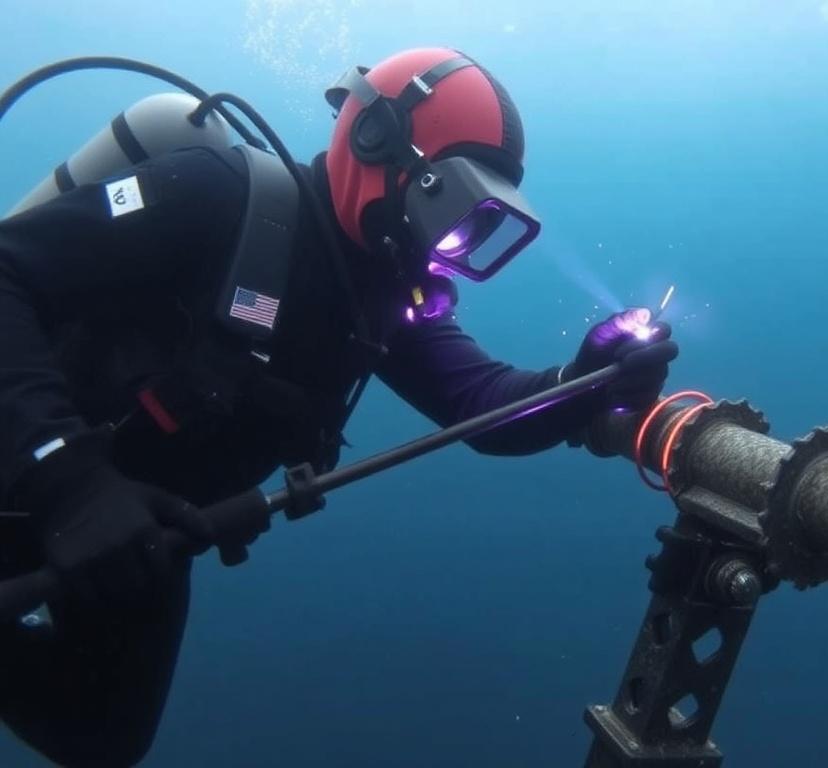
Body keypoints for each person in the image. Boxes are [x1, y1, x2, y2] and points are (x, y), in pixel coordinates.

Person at [0, 47, 677, 767]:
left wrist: (585, 380)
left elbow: (483, 408)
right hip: (32, 472)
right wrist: (69, 482)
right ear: (376, 143)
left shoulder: (382, 296)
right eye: (444, 199)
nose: (445, 243)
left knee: (100, 735)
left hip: (140, 532)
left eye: (473, 224)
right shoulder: (215, 195)